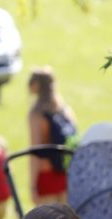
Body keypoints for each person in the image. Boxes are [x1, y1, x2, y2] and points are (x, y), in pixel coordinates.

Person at [27, 66, 78, 205]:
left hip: (46, 175)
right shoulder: (65, 110)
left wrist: (32, 186)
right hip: (66, 173)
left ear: (36, 85)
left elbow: (35, 151)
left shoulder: (37, 114)